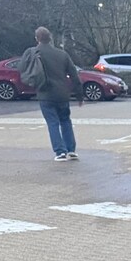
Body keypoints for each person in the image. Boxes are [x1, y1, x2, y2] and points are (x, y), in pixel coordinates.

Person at [21, 27, 82, 161]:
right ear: (50, 38)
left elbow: (23, 69)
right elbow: (74, 75)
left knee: (52, 122)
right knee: (65, 121)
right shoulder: (62, 54)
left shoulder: (33, 53)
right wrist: (79, 95)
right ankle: (71, 149)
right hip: (62, 94)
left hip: (45, 94)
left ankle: (60, 152)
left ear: (36, 39)